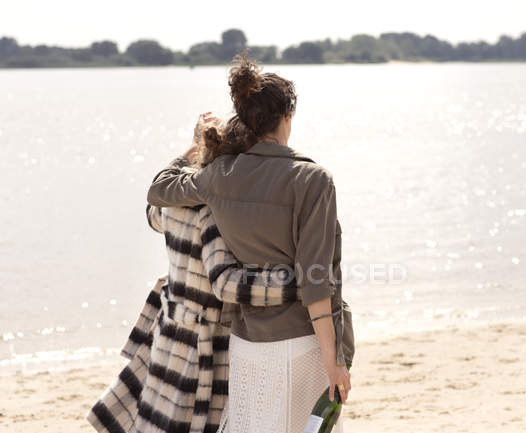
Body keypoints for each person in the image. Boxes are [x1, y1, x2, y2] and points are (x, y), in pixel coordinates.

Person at [146, 50, 353, 433]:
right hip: (302, 342)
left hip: (247, 344)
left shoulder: (220, 174)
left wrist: (193, 149)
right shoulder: (312, 179)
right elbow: (315, 279)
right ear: (287, 116)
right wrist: (333, 359)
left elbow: (159, 190)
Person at [86, 117, 298, 433]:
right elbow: (226, 283)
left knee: (156, 416)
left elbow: (152, 213)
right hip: (206, 343)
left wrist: (185, 157)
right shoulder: (213, 212)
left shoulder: (173, 201)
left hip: (170, 328)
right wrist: (294, 284)